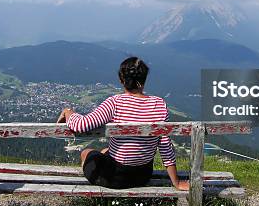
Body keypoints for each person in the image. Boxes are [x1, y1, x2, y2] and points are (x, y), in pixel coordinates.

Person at [56, 56, 189, 190]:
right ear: (144, 80)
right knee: (104, 151)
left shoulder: (115, 103)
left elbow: (81, 126)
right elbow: (165, 146)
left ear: (122, 80)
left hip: (114, 177)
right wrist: (176, 182)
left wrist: (68, 112)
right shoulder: (159, 104)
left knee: (86, 152)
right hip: (143, 175)